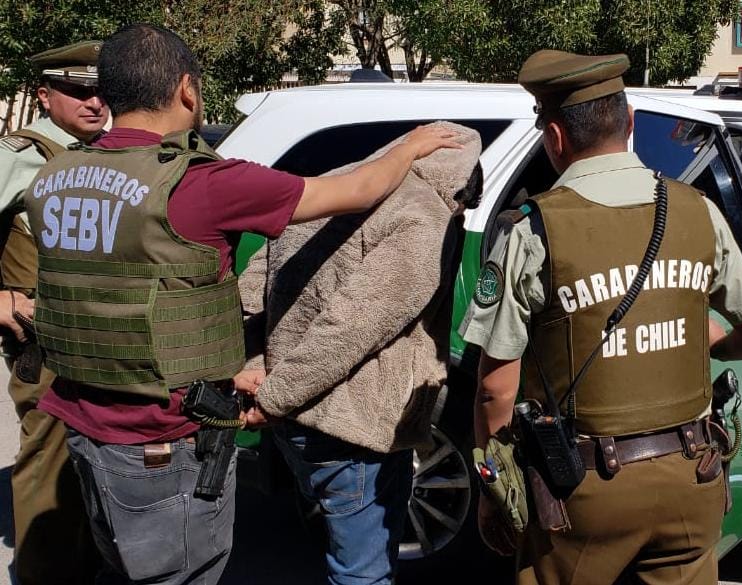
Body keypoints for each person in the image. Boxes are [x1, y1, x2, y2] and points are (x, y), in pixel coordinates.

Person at [22, 23, 458, 585]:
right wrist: (413, 145)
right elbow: (357, 191)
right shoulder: (203, 183)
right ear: (186, 89)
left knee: (122, 566)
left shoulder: (56, 176)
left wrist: (225, 368)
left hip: (82, 424)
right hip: (164, 442)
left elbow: (130, 291)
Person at [460, 50, 742, 585]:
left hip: (581, 493)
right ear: (630, 124)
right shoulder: (697, 210)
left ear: (555, 139)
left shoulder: (533, 232)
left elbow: (495, 391)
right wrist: (705, 343)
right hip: (692, 474)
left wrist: (497, 494)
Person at [236, 122, 482, 585]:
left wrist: (258, 372)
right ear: (461, 186)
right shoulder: (423, 219)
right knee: (362, 573)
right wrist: (274, 398)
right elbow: (349, 328)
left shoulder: (338, 186)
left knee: (343, 550)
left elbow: (255, 285)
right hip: (348, 424)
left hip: (295, 415)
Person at [0, 40, 107, 585]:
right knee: (50, 468)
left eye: (100, 89)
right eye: (77, 90)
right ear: (44, 96)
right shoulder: (20, 156)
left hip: (111, 342)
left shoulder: (119, 152)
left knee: (103, 470)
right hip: (46, 345)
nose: (93, 101)